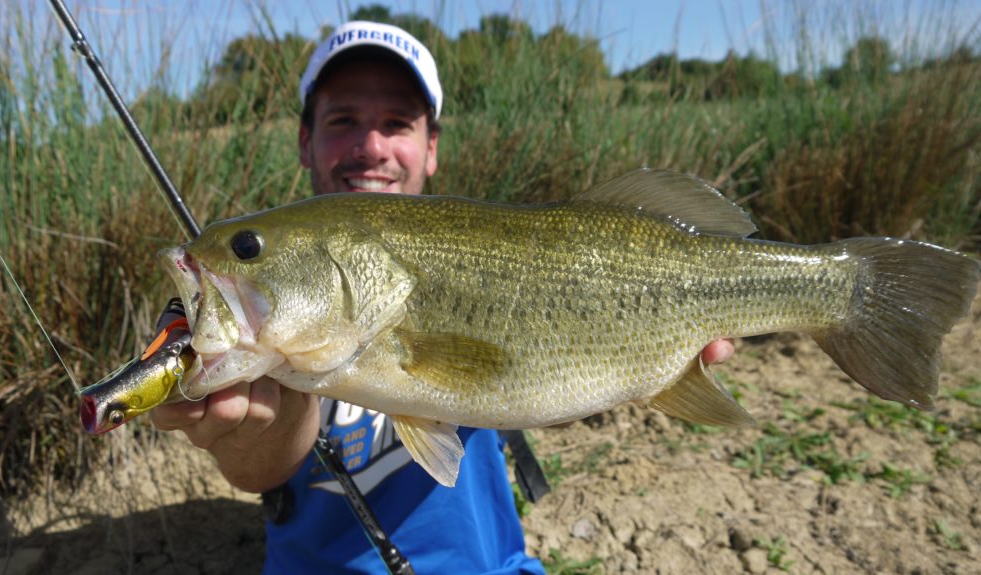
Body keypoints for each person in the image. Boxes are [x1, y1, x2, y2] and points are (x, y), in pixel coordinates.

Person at [152, 20, 734, 574]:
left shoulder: (472, 252)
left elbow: (534, 390)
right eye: (343, 120)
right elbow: (262, 466)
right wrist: (249, 426)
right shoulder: (277, 334)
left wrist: (637, 357)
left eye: (399, 123)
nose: (371, 145)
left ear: (432, 146)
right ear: (306, 141)